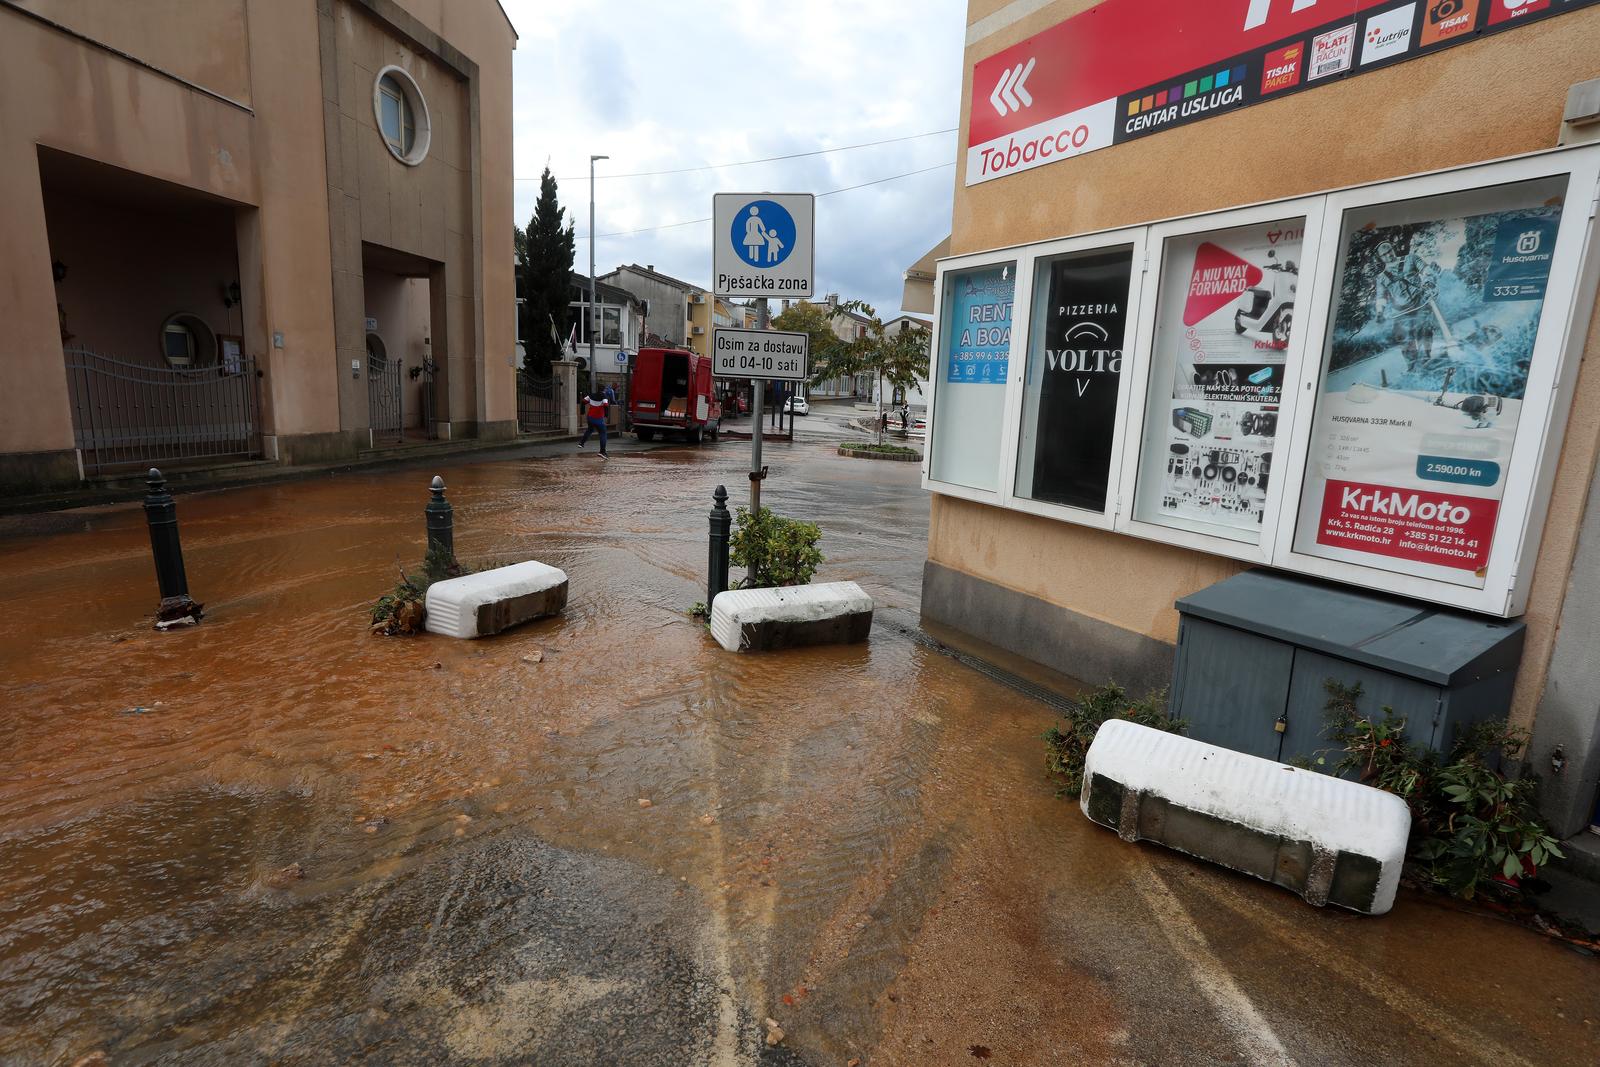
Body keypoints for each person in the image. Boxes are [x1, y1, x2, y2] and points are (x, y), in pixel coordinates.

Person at [579, 388, 610, 459]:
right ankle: (602, 452)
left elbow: (583, 401)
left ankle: (581, 443)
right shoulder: (604, 396)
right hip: (598, 419)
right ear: (604, 390)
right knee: (603, 433)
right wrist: (606, 415)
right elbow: (605, 405)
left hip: (590, 417)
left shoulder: (591, 395)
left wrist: (582, 411)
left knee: (590, 430)